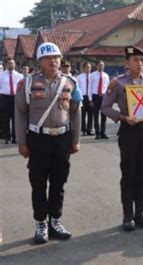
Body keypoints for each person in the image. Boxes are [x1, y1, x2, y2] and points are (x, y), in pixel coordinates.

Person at [15, 42, 82, 244]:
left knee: (59, 181)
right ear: (39, 61)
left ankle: (55, 220)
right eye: (48, 58)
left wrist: (76, 140)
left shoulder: (71, 82)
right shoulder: (27, 83)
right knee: (38, 182)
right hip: (38, 138)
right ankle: (40, 223)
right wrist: (22, 142)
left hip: (62, 138)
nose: (53, 61)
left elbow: (76, 112)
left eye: (56, 57)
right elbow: (19, 113)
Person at [102, 46, 143, 231]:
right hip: (129, 131)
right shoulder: (118, 83)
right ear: (127, 63)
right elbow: (105, 107)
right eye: (135, 60)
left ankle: (140, 214)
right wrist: (122, 117)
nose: (140, 63)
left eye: (142, 60)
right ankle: (127, 215)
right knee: (128, 173)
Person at [0, 57, 23, 144]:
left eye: (12, 63)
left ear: (15, 65)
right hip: (5, 98)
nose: (11, 65)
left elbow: (21, 89)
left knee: (15, 118)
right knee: (5, 119)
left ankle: (15, 137)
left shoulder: (19, 76)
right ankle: (7, 137)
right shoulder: (1, 75)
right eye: (9, 63)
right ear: (6, 64)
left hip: (15, 98)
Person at [90, 61, 110, 139]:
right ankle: (97, 133)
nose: (101, 66)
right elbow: (90, 87)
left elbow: (108, 87)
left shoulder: (106, 75)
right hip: (95, 96)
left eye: (102, 65)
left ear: (104, 66)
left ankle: (103, 133)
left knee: (104, 115)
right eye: (99, 65)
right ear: (96, 66)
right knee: (95, 115)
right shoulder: (92, 75)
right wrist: (90, 99)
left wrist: (108, 98)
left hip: (104, 96)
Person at [77, 62, 94, 136]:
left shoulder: (93, 77)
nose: (88, 69)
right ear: (83, 68)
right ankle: (83, 130)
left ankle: (89, 130)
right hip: (83, 97)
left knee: (90, 114)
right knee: (83, 115)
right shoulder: (79, 77)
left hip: (91, 97)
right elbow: (78, 88)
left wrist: (92, 99)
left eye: (89, 67)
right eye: (87, 67)